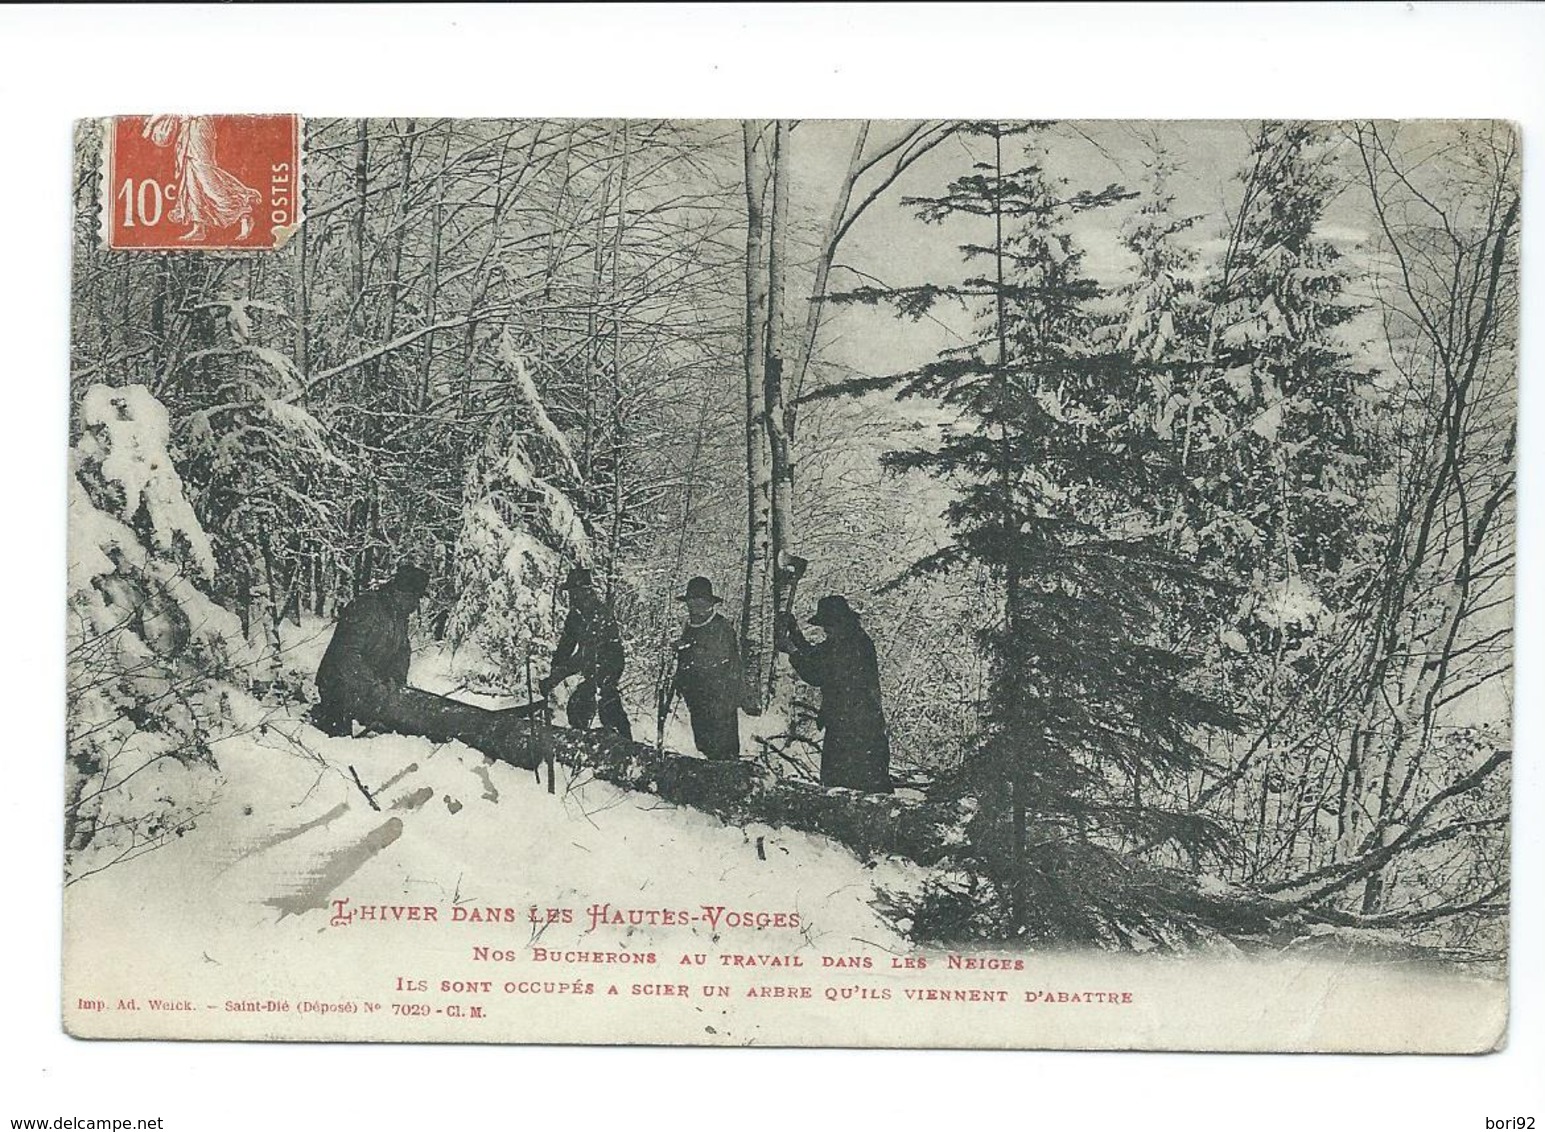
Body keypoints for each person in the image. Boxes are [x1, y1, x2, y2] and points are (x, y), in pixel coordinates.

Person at [777, 595, 892, 793]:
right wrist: (795, 634)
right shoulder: (845, 639)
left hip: (856, 727)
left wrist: (791, 650)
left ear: (841, 623)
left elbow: (817, 674)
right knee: (848, 782)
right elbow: (816, 654)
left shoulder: (852, 646)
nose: (826, 631)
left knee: (853, 784)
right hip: (848, 723)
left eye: (828, 626)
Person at [314, 564, 431, 737]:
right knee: (339, 741)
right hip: (339, 686)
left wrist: (395, 685)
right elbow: (346, 655)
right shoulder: (366, 607)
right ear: (402, 593)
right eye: (414, 598)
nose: (416, 605)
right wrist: (372, 688)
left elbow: (401, 654)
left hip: (371, 689)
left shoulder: (399, 617)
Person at [541, 567, 633, 740]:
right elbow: (565, 646)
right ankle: (585, 744)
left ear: (585, 591)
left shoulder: (599, 614)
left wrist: (557, 677)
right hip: (591, 666)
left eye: (574, 592)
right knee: (577, 708)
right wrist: (554, 671)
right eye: (570, 593)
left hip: (609, 665)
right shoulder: (575, 616)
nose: (571, 597)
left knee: (607, 704)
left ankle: (626, 746)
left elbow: (586, 654)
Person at [671, 576, 743, 760]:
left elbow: (718, 660)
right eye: (691, 601)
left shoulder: (721, 627)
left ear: (710, 603)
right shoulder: (690, 626)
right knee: (704, 746)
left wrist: (689, 650)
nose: (695, 606)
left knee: (722, 750)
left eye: (700, 601)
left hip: (719, 701)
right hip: (697, 699)